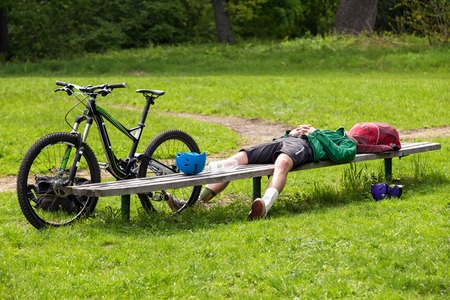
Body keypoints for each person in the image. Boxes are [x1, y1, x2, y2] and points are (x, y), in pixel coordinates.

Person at [166, 124, 357, 219]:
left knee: (281, 163)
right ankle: (196, 202)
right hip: (286, 141)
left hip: (305, 146)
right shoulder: (331, 130)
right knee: (239, 158)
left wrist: (315, 133)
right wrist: (292, 132)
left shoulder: (347, 142)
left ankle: (264, 206)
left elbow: (341, 155)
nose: (352, 130)